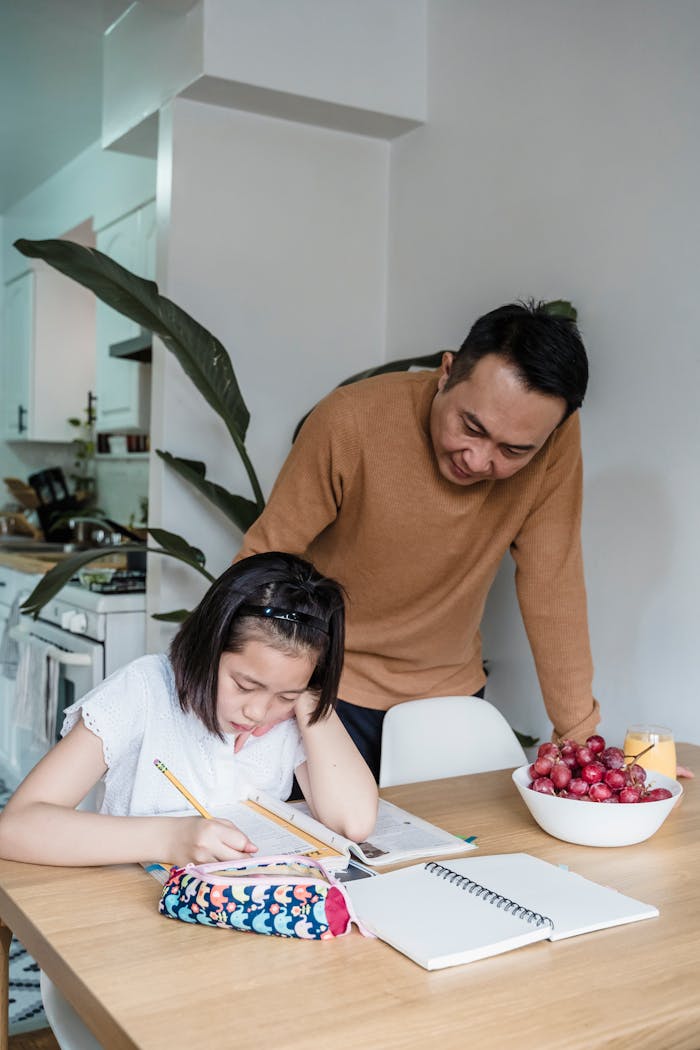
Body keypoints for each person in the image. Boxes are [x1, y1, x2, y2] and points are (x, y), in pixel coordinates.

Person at [236, 301, 600, 781]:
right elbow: (267, 556)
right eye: (471, 427)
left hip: (451, 699)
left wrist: (580, 745)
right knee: (320, 852)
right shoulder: (351, 420)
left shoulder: (553, 445)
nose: (477, 459)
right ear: (447, 373)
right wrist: (232, 688)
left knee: (459, 851)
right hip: (327, 687)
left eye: (513, 451)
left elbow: (553, 582)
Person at [0, 551, 378, 866]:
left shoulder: (289, 715)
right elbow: (14, 828)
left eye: (284, 696)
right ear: (207, 648)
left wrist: (308, 692)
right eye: (245, 685)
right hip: (128, 917)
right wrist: (171, 837)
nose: (258, 713)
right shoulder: (144, 690)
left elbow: (354, 822)